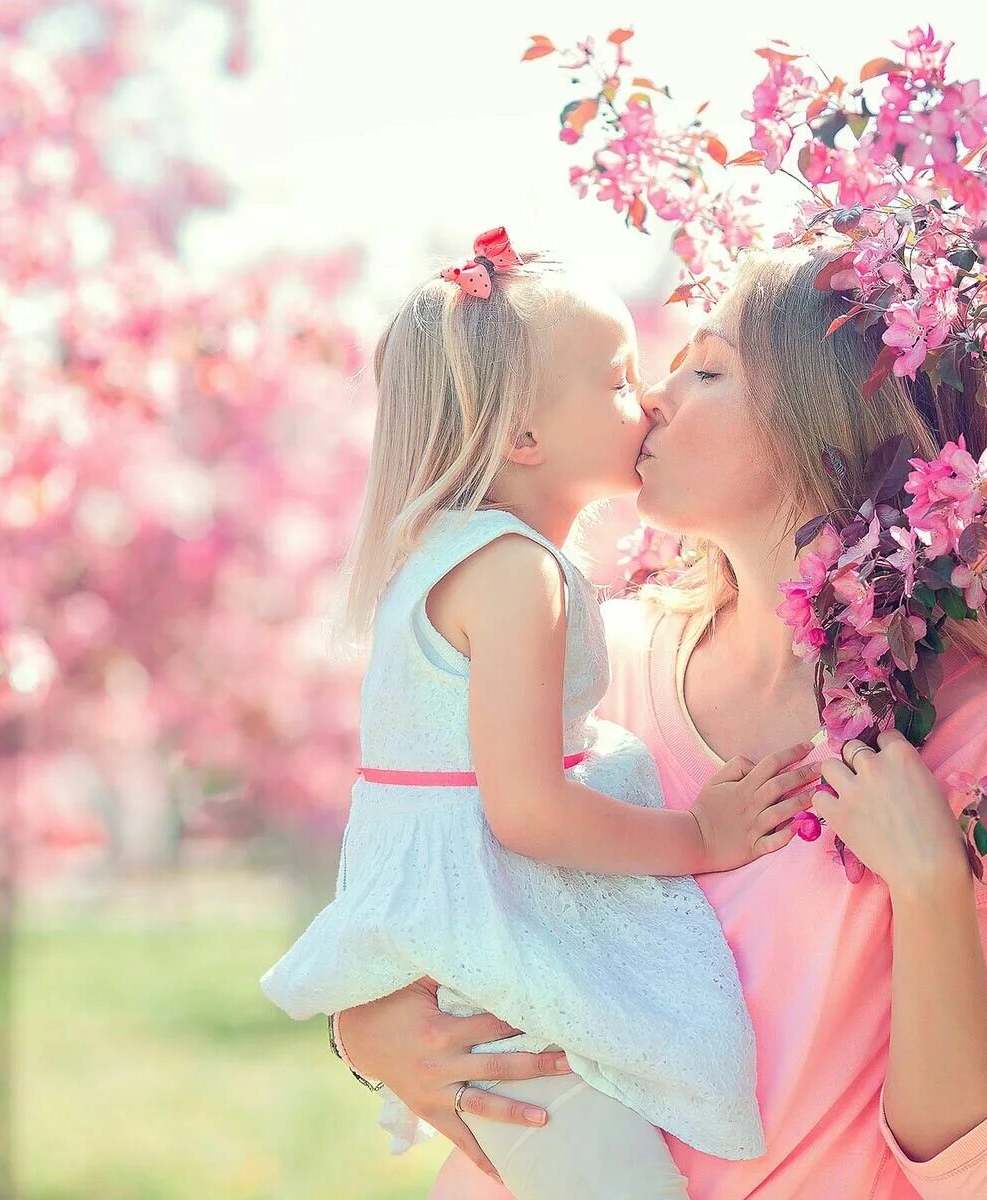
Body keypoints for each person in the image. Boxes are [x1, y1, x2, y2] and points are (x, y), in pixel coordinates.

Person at [334, 245, 987, 1200]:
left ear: (827, 428)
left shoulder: (978, 734)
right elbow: (433, 881)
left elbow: (965, 1169)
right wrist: (367, 1029)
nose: (652, 398)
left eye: (706, 369)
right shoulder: (594, 669)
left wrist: (929, 884)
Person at [261, 229, 826, 1199]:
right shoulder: (519, 575)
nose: (649, 400)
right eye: (616, 383)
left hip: (459, 933)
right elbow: (526, 813)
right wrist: (701, 833)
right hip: (489, 943)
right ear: (525, 439)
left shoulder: (456, 554)